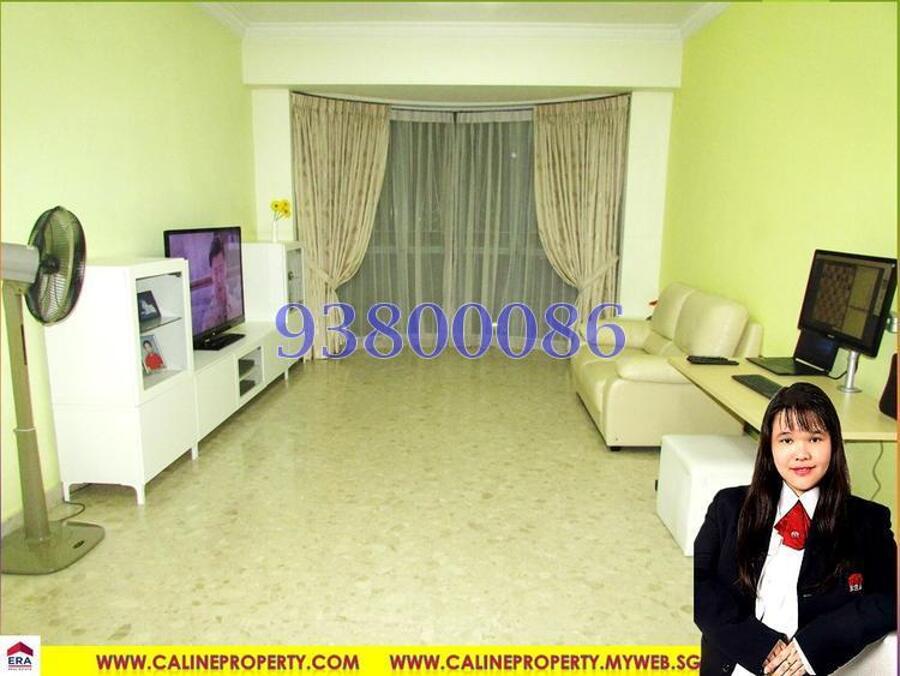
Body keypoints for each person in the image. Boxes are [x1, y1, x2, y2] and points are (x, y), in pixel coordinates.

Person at [694, 382, 897, 676]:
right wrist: (758, 645)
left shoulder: (868, 521)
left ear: (834, 444)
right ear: (769, 447)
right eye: (786, 440)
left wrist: (814, 646)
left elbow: (891, 598)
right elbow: (698, 583)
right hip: (735, 663)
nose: (801, 454)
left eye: (814, 438)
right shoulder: (727, 507)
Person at [202, 235, 242, 331]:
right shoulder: (207, 319)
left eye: (221, 269)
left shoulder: (238, 307)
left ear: (226, 268)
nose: (219, 279)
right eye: (215, 271)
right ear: (211, 274)